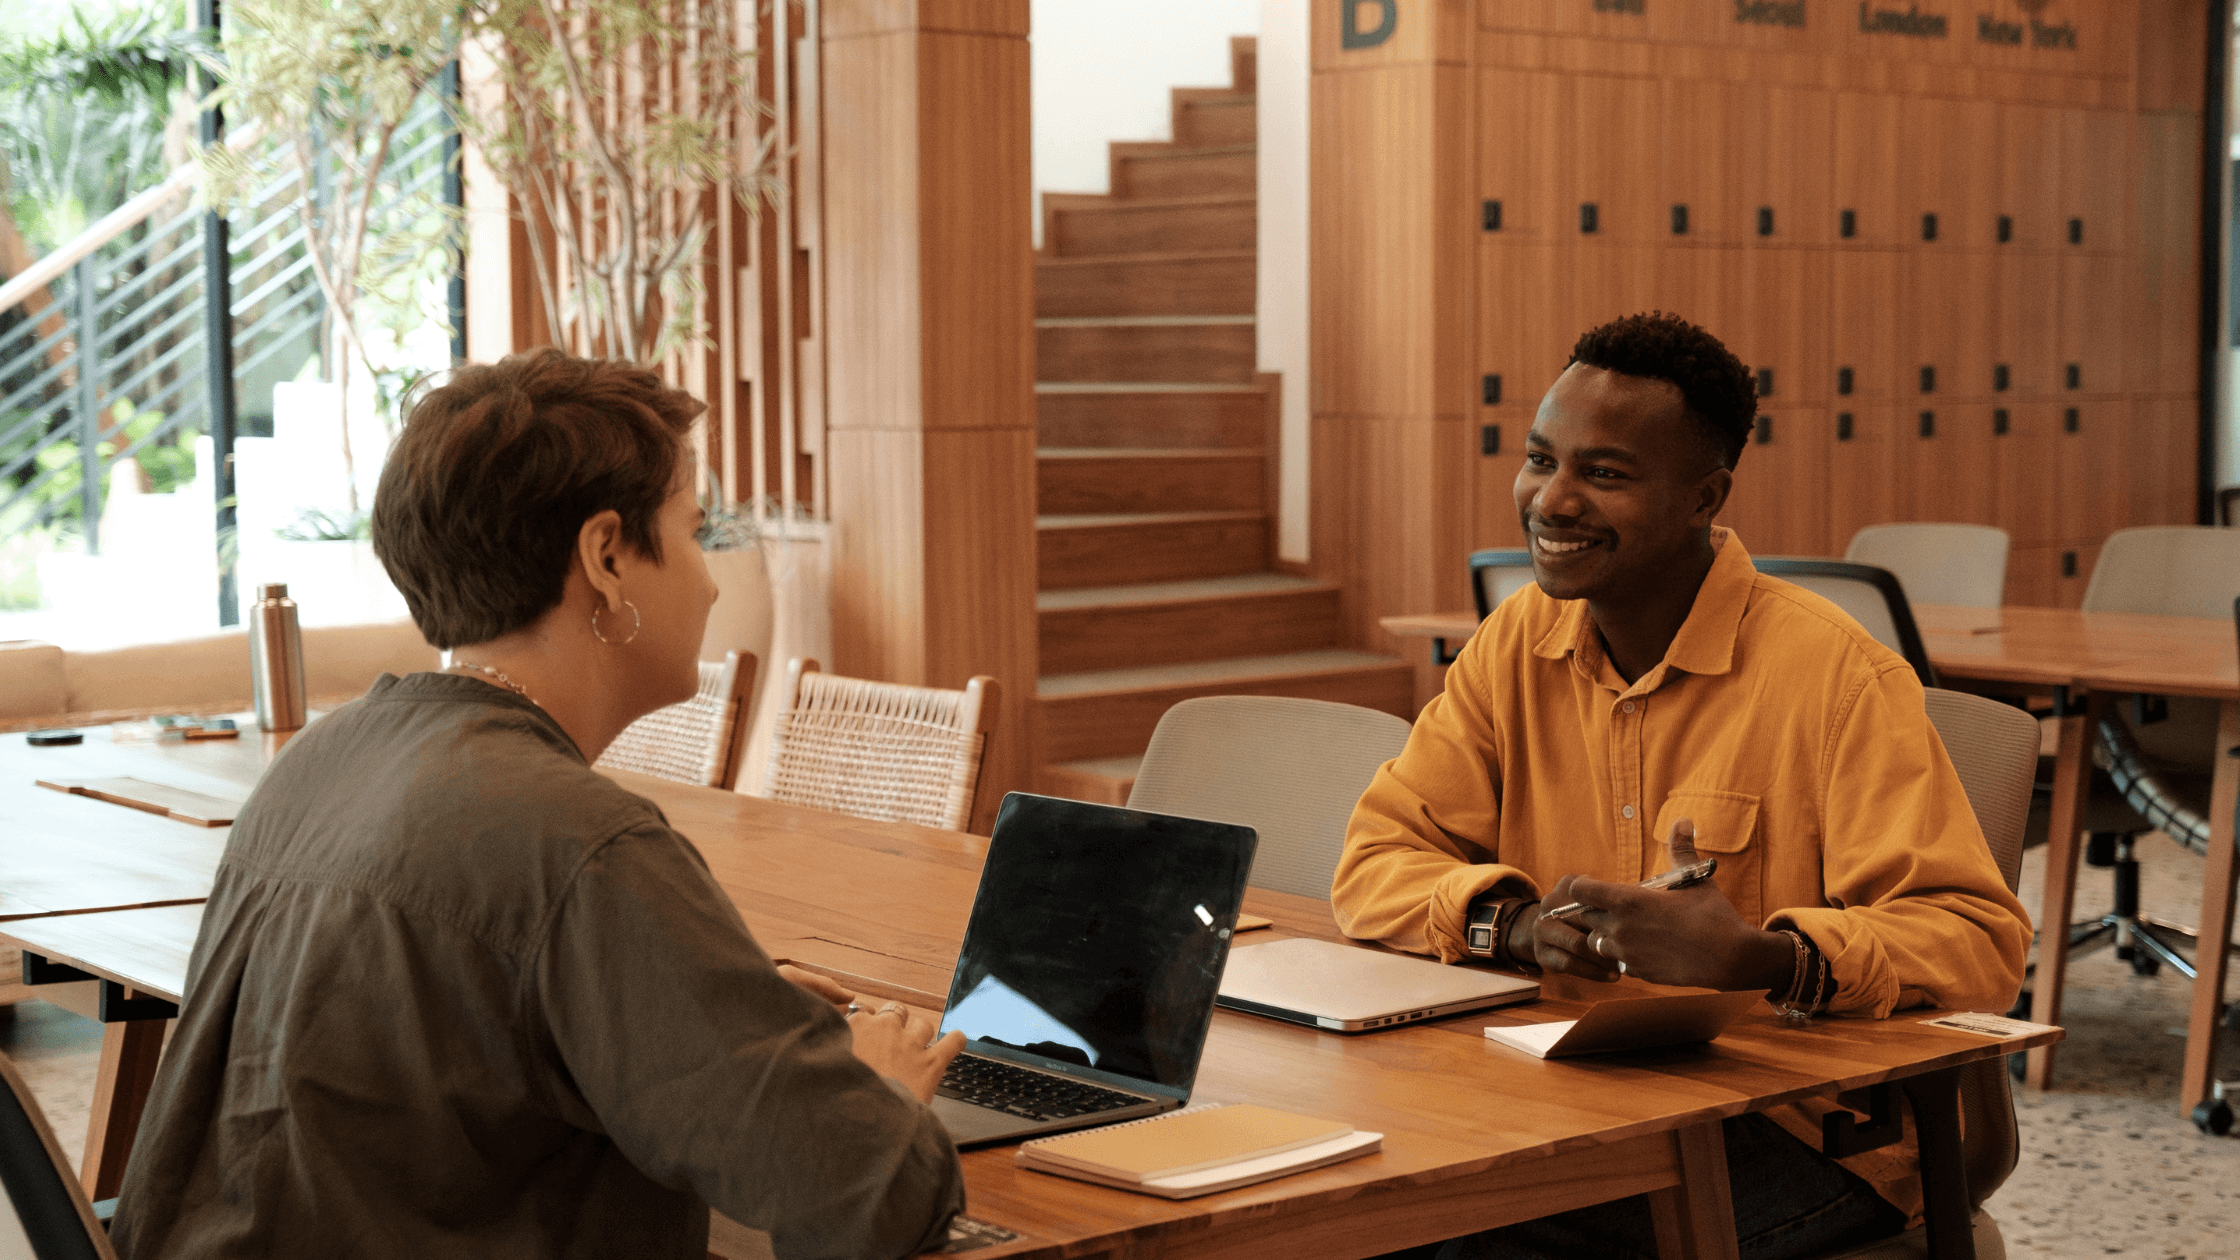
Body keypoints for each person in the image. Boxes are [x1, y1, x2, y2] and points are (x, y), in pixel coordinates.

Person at [113, 350, 966, 1260]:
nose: (714, 580)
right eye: (694, 532)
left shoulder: (321, 760)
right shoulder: (583, 844)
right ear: (606, 555)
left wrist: (700, 1016)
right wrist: (875, 1094)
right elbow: (871, 1200)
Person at [1334, 313, 2032, 1260]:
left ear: (1705, 497)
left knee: (1458, 1236)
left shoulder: (1836, 677)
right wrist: (1517, 924)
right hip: (1561, 1096)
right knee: (1346, 1199)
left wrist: (1758, 960)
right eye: (1542, 460)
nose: (1553, 500)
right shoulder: (1513, 643)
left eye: (1606, 474)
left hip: (1801, 1132)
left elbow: (1975, 937)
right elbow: (1376, 860)